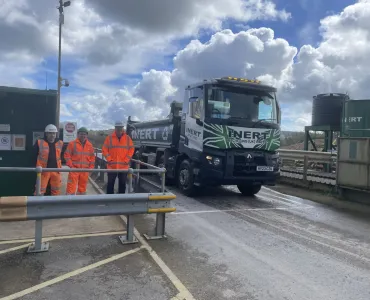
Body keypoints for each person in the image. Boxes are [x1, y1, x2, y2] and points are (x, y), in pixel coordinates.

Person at [102, 121, 134, 194]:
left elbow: (131, 149)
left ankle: (120, 201)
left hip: (123, 166)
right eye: (117, 127)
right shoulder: (109, 138)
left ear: (122, 128)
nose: (119, 129)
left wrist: (126, 160)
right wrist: (109, 160)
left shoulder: (127, 138)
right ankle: (109, 201)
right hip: (112, 166)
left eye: (120, 127)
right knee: (110, 184)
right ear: (115, 128)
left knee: (122, 185)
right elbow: (104, 149)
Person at [64, 127, 95, 195]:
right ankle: (69, 202)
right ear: (78, 134)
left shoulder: (90, 145)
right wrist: (71, 166)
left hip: (85, 170)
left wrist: (91, 168)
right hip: (74, 170)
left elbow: (92, 157)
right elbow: (67, 155)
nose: (83, 136)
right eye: (81, 134)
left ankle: (81, 202)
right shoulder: (72, 144)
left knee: (82, 189)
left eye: (84, 134)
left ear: (86, 135)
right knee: (71, 188)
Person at [33, 124, 63, 195]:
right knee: (40, 190)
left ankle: (54, 205)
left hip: (56, 170)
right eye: (50, 133)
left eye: (53, 133)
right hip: (43, 171)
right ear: (46, 134)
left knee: (56, 190)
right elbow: (33, 156)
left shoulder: (60, 143)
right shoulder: (39, 142)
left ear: (56, 134)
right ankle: (38, 205)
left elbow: (62, 156)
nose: (52, 135)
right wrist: (36, 167)